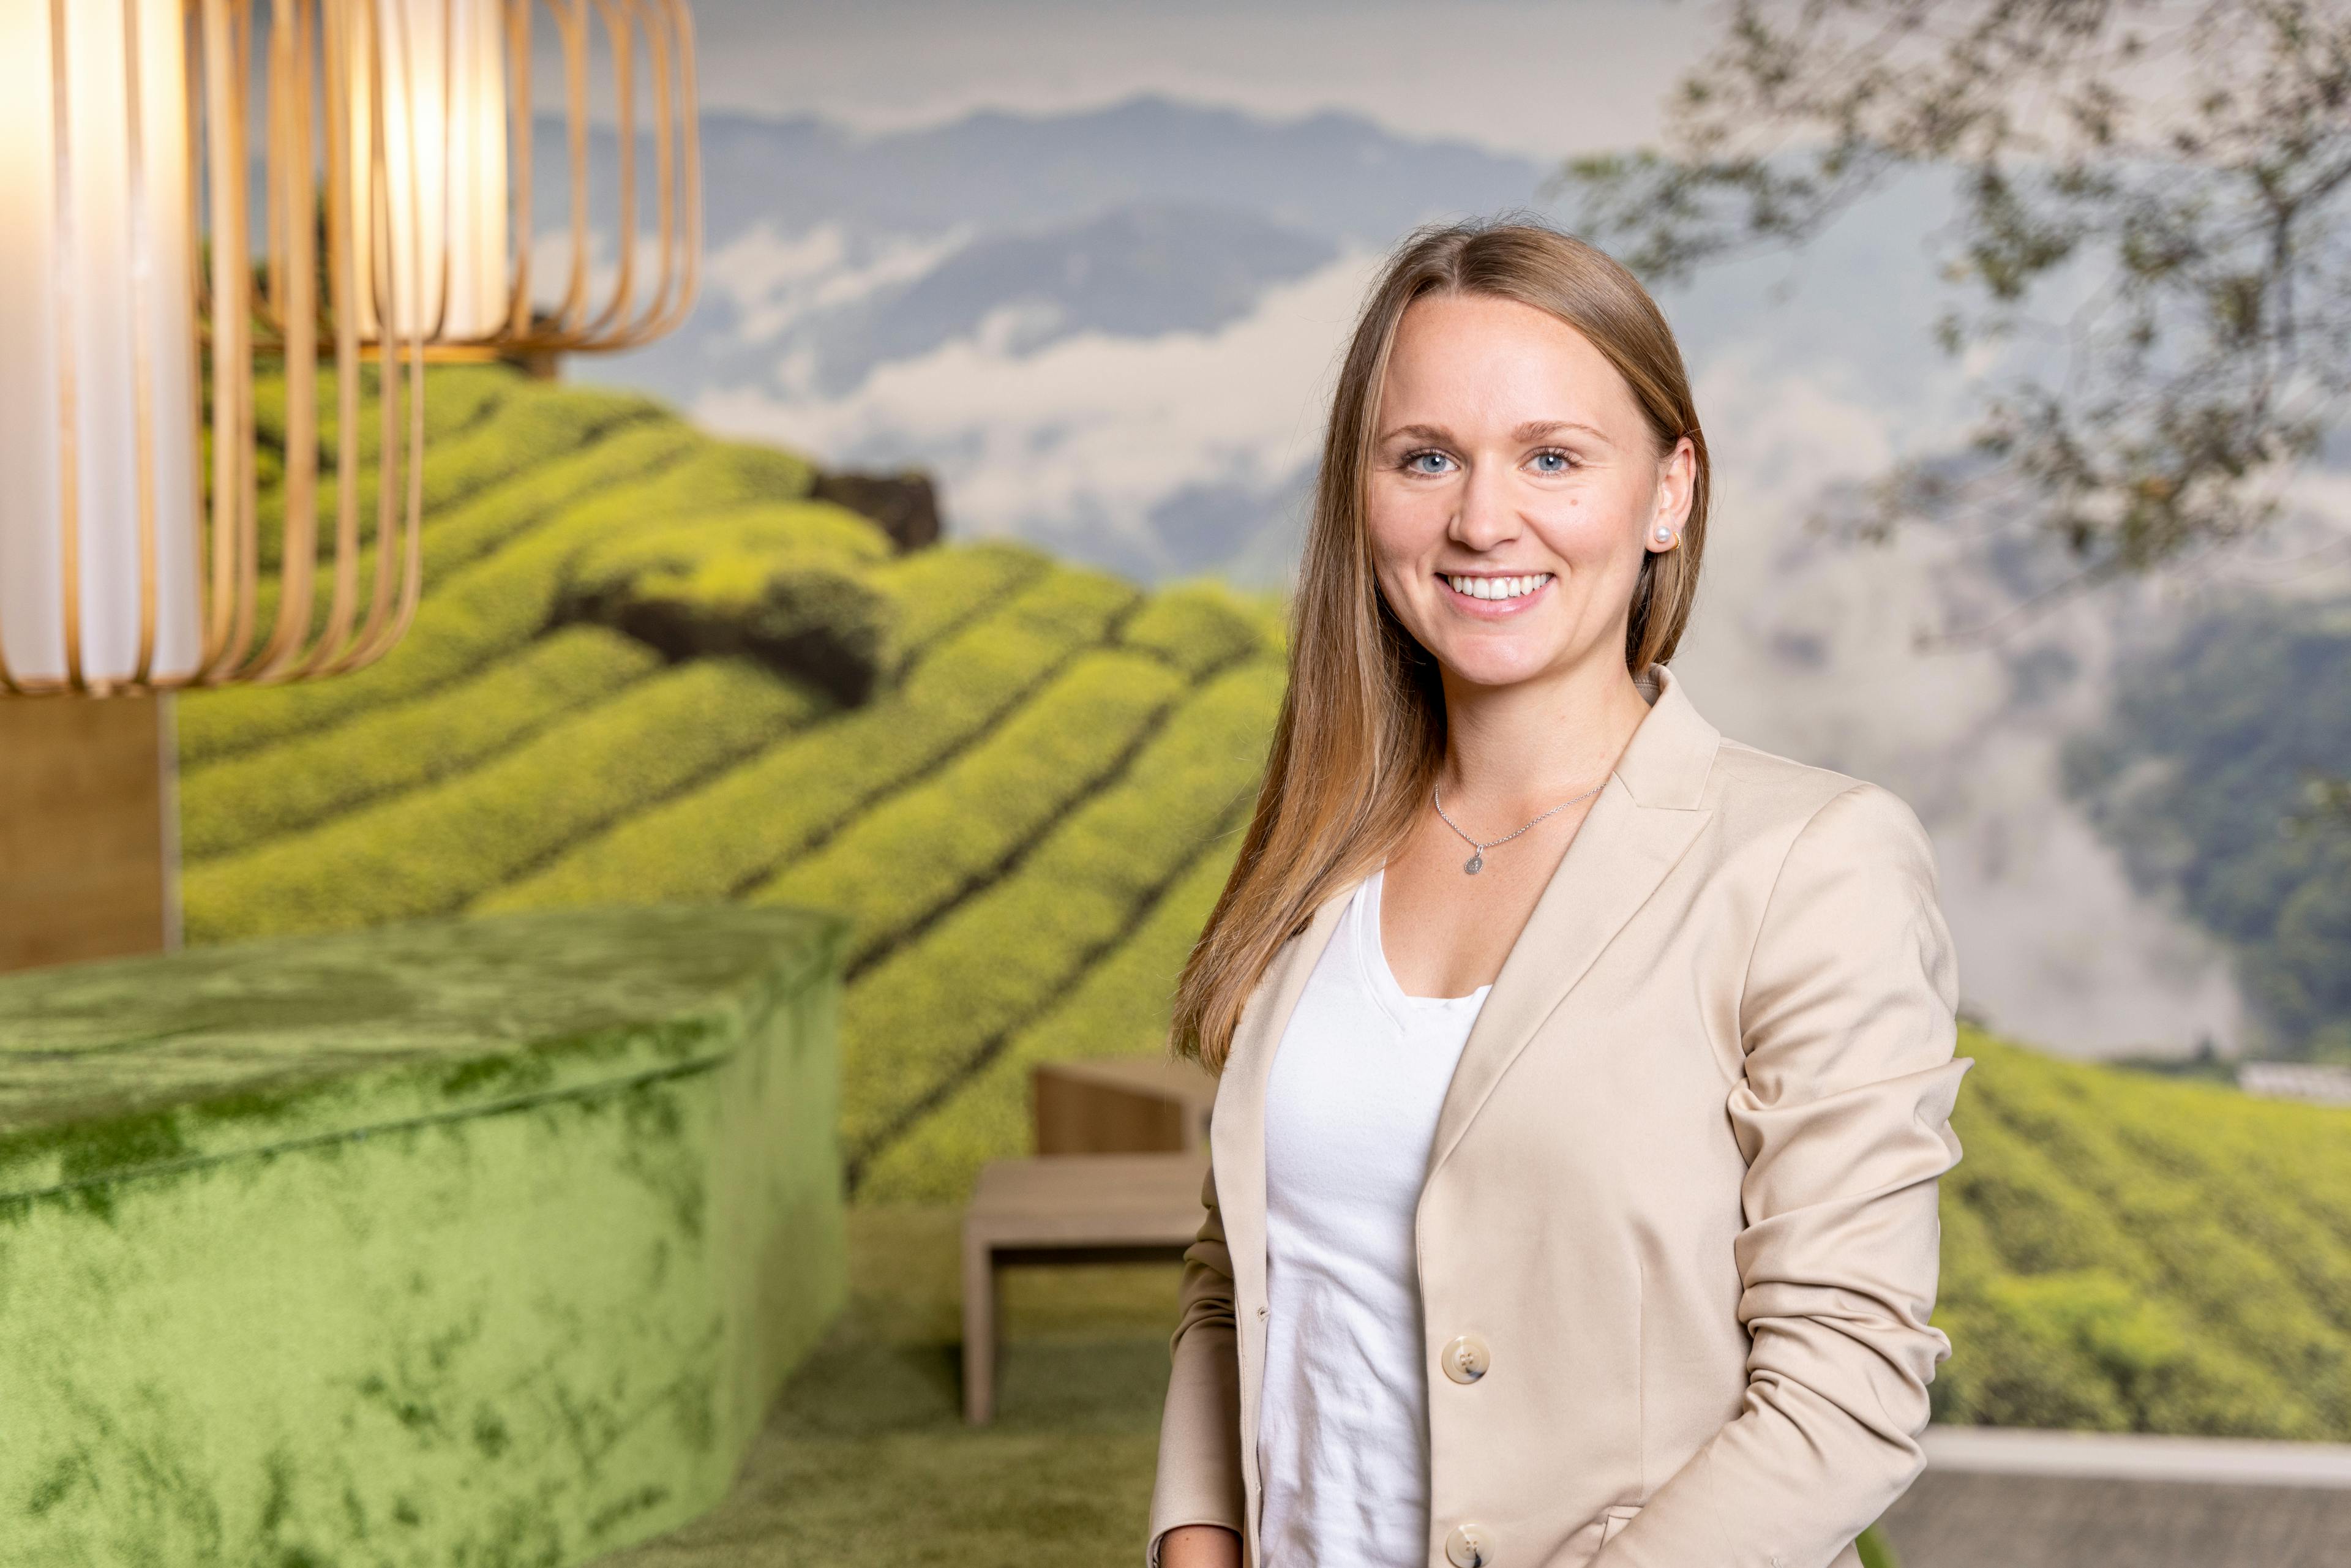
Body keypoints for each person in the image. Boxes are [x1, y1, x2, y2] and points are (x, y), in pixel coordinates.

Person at [1146, 219, 1972, 1568]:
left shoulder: (1813, 864)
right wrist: (1196, 1543)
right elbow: (1240, 1276)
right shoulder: (1320, 847)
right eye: (1426, 458)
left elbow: (1844, 1398)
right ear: (1361, 494)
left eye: (1552, 458)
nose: (1482, 520)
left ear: (1669, 493)